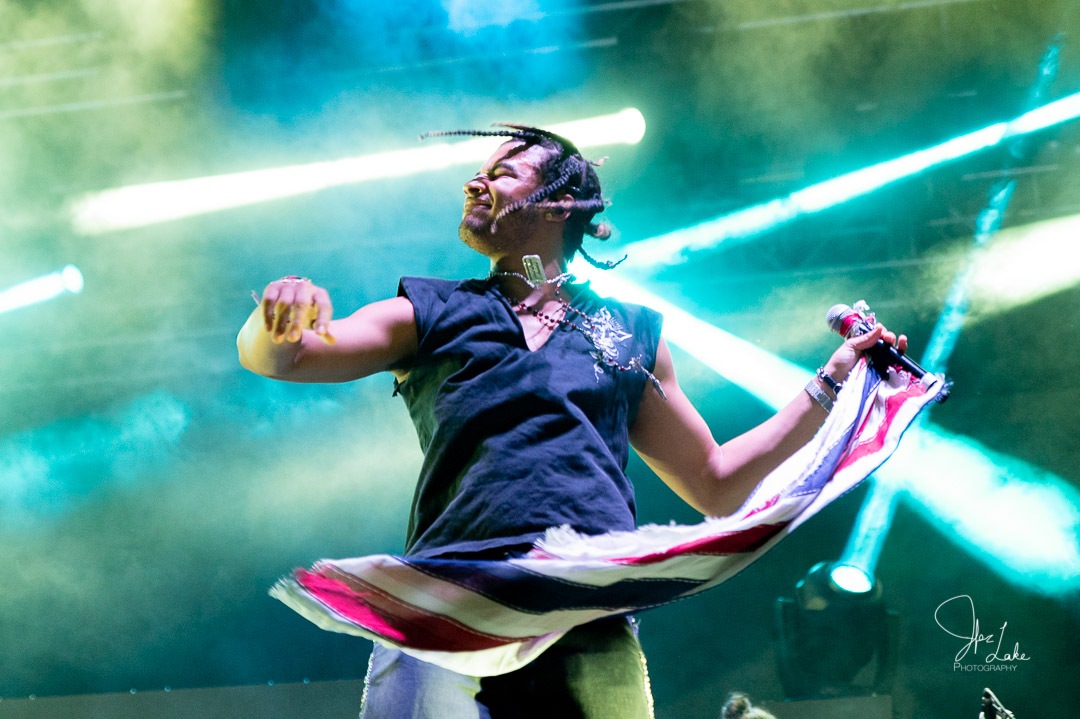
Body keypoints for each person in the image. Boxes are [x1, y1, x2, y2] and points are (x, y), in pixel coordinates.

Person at [236, 125, 905, 719]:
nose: (474, 182)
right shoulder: (433, 310)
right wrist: (274, 326)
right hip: (451, 604)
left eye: (501, 173)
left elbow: (716, 482)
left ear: (558, 204)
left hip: (589, 610)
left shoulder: (629, 332)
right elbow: (286, 358)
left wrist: (832, 381)